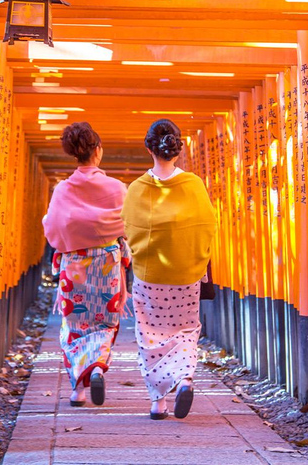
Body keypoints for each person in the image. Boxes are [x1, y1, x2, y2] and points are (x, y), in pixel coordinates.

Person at [121, 119, 217, 420]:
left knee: (150, 334)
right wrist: (196, 260)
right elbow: (207, 227)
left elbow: (127, 230)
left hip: (150, 277)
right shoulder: (193, 185)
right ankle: (185, 378)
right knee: (186, 330)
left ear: (149, 147)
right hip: (187, 275)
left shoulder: (137, 189)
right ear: (177, 148)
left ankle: (158, 403)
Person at [43, 122, 131, 407]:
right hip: (107, 264)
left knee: (74, 324)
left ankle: (77, 390)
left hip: (75, 265)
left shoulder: (63, 190)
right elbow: (128, 226)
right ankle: (96, 366)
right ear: (98, 150)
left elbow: (52, 228)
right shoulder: (117, 189)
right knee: (105, 322)